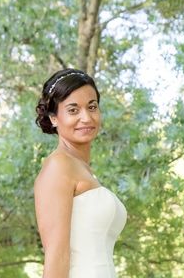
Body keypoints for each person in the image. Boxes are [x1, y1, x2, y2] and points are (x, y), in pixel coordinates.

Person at [34, 68, 127, 278]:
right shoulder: (58, 166)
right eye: (73, 110)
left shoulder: (83, 170)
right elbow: (56, 256)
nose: (86, 117)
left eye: (92, 107)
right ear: (54, 118)